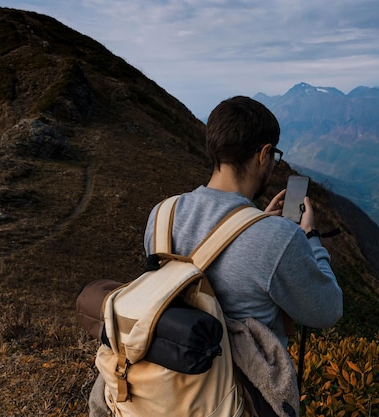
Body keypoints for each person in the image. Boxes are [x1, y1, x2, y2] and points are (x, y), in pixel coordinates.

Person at [88, 96, 342, 417]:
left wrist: (254, 224)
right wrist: (309, 238)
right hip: (233, 401)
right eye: (274, 156)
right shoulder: (278, 237)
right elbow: (327, 311)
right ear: (264, 155)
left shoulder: (162, 214)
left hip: (161, 389)